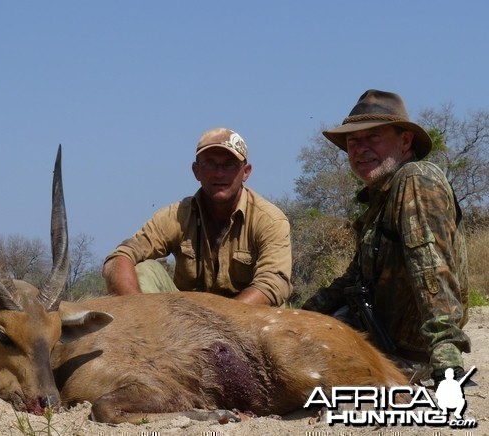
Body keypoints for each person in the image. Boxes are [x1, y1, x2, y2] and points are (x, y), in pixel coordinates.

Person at [302, 90, 471, 385]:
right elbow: (352, 280)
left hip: (408, 357)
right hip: (376, 337)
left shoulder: (415, 179)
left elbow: (431, 268)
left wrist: (446, 360)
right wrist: (299, 316)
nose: (360, 149)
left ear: (405, 141)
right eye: (353, 141)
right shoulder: (380, 199)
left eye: (373, 137)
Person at [102, 127, 292, 307]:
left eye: (230, 164)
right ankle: (146, 328)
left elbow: (273, 284)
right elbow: (119, 257)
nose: (219, 173)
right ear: (196, 171)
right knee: (143, 270)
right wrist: (137, 310)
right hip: (189, 325)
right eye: (210, 163)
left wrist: (223, 324)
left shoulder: (270, 220)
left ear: (246, 172)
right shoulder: (175, 216)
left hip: (248, 324)